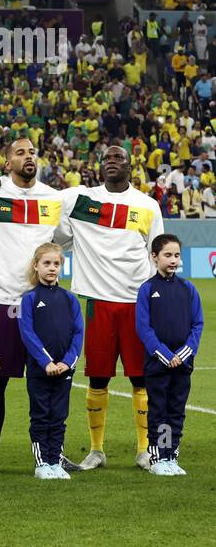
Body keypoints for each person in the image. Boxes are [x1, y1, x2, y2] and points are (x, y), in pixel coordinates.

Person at [0, 138, 68, 473]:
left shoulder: (52, 197)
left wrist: (49, 256)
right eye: (20, 153)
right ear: (8, 163)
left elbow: (65, 235)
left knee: (51, 379)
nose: (28, 157)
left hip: (44, 303)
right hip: (6, 302)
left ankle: (54, 452)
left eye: (32, 152)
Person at [53, 145, 164, 471]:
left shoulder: (147, 206)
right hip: (98, 302)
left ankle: (145, 450)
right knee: (98, 378)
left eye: (118, 158)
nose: (112, 162)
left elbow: (156, 252)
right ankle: (97, 450)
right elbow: (59, 236)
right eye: (106, 159)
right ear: (99, 167)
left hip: (135, 303)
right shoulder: (81, 201)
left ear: (131, 166)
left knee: (140, 379)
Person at [135, 234, 203, 476]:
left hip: (182, 364)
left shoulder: (188, 288)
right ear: (154, 257)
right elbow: (144, 328)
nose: (173, 260)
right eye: (167, 255)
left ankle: (172, 456)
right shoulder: (147, 289)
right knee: (159, 410)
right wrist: (165, 355)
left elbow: (197, 324)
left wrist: (183, 354)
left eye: (176, 255)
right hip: (158, 365)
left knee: (176, 410)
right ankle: (158, 457)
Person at [17, 243, 83, 480]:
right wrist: (46, 362)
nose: (52, 268)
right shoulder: (29, 299)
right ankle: (42, 462)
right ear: (36, 266)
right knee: (41, 415)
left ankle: (56, 460)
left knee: (59, 416)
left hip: (64, 370)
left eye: (56, 264)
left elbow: (78, 333)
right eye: (47, 263)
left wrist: (67, 362)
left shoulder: (69, 299)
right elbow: (27, 333)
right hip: (39, 370)